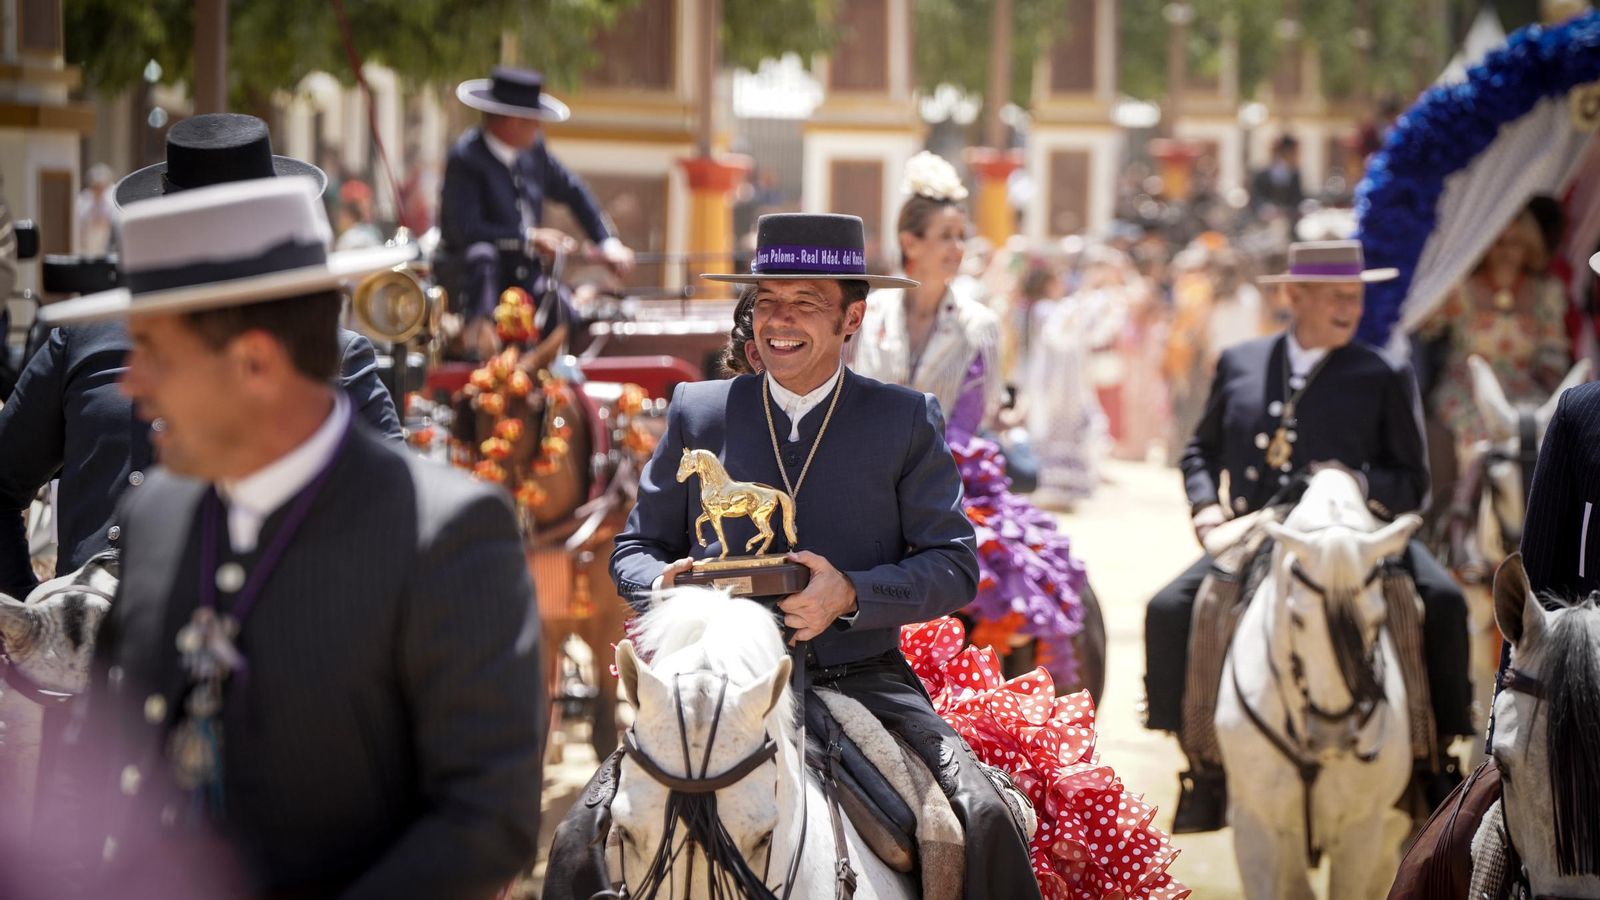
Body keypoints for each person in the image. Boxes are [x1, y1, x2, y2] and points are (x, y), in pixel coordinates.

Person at [53, 176, 544, 898]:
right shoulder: (157, 509)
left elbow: (487, 822)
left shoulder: (448, 534)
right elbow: (103, 767)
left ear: (254, 362)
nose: (131, 383)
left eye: (154, 350)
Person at [547, 212, 1039, 900]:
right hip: (708, 691)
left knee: (984, 817)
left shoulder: (904, 418)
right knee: (577, 840)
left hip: (857, 682)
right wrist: (663, 583)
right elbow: (634, 548)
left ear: (853, 318)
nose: (779, 320)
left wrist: (850, 595)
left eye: (806, 302)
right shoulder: (698, 409)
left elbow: (953, 566)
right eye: (768, 301)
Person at [0, 113, 403, 604]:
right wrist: (29, 619)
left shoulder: (337, 358)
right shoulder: (84, 339)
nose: (137, 383)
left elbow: (393, 515)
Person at [1144, 239, 1473, 833]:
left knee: (1444, 602)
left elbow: (1414, 482)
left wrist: (1357, 479)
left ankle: (1434, 760)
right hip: (1257, 528)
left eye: (1356, 296)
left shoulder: (1382, 371)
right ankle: (1201, 766)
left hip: (1355, 532)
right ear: (1293, 295)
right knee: (1167, 608)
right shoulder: (1241, 361)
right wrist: (1205, 511)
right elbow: (1199, 450)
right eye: (1338, 297)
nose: (1352, 308)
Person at [850, 152, 1089, 687]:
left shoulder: (979, 325)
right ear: (910, 242)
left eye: (962, 236)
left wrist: (911, 478)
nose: (960, 249)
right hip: (863, 472)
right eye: (947, 236)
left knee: (1007, 567)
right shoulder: (867, 315)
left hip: (948, 475)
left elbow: (965, 423)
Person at [436, 66, 633, 355]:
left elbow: (573, 190)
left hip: (524, 276)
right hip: (479, 282)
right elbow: (463, 229)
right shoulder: (466, 159)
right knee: (482, 257)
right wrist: (528, 238)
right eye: (534, 120)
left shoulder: (534, 152)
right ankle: (480, 352)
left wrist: (607, 242)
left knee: (561, 307)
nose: (539, 127)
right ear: (514, 121)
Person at [1249, 134, 1306, 223]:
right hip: (1266, 220)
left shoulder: (1295, 174)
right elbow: (1257, 197)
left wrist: (1290, 211)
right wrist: (1265, 208)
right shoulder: (1262, 174)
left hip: (1290, 220)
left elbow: (1298, 198)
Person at [75, 164, 117, 255]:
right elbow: (79, 222)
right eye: (96, 187)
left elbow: (114, 219)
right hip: (88, 244)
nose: (99, 190)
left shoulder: (113, 196)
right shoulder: (83, 199)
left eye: (101, 187)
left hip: (108, 242)